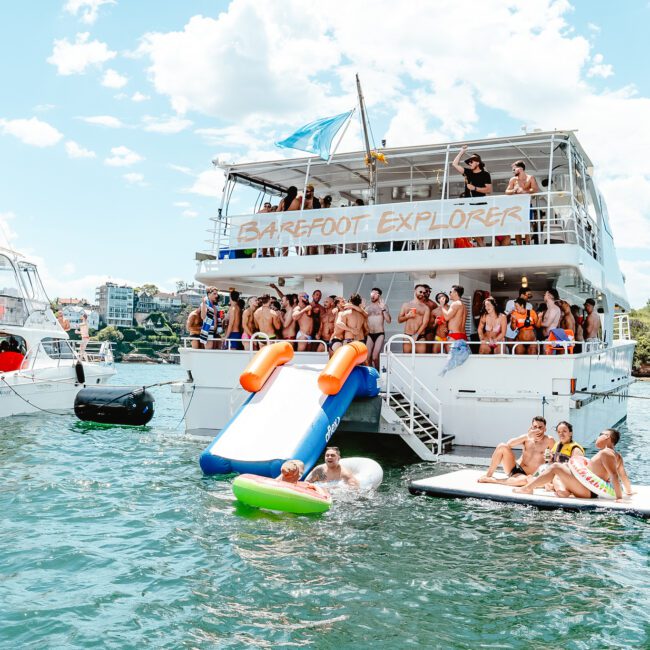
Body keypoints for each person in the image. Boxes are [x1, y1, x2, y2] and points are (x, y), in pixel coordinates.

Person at [514, 429, 633, 501]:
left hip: (587, 490)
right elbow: (624, 477)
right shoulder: (618, 456)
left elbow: (614, 476)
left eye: (600, 434)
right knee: (562, 469)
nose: (597, 437)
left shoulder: (606, 453)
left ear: (607, 437)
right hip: (588, 489)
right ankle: (564, 491)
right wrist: (629, 492)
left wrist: (619, 499)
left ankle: (527, 488)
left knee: (556, 467)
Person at [478, 416, 554, 486]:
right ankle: (488, 475)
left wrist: (551, 458)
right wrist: (527, 436)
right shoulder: (527, 437)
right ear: (531, 428)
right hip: (516, 469)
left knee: (524, 481)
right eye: (535, 427)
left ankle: (493, 480)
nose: (538, 430)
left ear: (545, 429)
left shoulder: (549, 440)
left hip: (530, 475)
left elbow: (556, 459)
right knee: (502, 446)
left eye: (540, 427)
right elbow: (509, 444)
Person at [452, 145, 492, 247]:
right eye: (468, 162)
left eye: (472, 161)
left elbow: (489, 190)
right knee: (472, 227)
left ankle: (480, 248)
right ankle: (482, 246)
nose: (469, 163)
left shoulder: (485, 174)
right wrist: (462, 151)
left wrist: (474, 188)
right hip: (468, 205)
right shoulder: (468, 172)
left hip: (481, 205)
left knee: (480, 228)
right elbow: (454, 164)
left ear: (478, 162)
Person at [505, 160, 540, 246]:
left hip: (527, 205)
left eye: (514, 169)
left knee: (527, 226)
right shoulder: (513, 180)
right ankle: (519, 246)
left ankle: (528, 245)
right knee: (518, 227)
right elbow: (507, 191)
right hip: (516, 207)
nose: (513, 171)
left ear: (520, 169)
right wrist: (514, 190)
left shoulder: (530, 178)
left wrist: (524, 191)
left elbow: (535, 189)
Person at [397, 285, 431, 354]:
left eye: (424, 293)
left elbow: (425, 323)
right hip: (407, 335)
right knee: (407, 359)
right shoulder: (406, 305)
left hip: (420, 336)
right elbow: (399, 320)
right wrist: (408, 316)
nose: (422, 294)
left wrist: (416, 335)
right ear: (415, 291)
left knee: (421, 359)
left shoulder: (426, 308)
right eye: (420, 292)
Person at [366, 287, 391, 370]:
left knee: (375, 357)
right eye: (371, 293)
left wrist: (383, 309)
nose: (372, 295)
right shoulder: (367, 307)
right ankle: (371, 373)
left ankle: (378, 373)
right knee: (367, 357)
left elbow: (388, 320)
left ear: (379, 295)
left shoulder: (383, 306)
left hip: (379, 333)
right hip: (369, 334)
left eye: (375, 293)